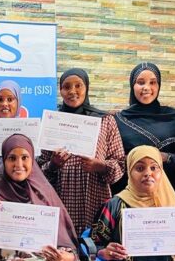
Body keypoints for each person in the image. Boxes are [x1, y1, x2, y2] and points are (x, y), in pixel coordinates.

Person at [38, 68, 125, 234]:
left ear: (87, 88)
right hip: (60, 199)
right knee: (64, 251)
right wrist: (53, 165)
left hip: (96, 198)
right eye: (66, 87)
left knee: (95, 250)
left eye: (78, 85)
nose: (72, 91)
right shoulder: (52, 121)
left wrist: (100, 166)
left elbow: (120, 165)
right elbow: (39, 169)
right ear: (61, 91)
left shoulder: (105, 121)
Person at [113, 62, 175, 202]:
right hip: (130, 200)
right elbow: (110, 163)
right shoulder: (117, 120)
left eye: (153, 82)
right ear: (132, 86)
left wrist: (167, 157)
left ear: (159, 86)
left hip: (168, 199)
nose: (146, 88)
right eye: (140, 82)